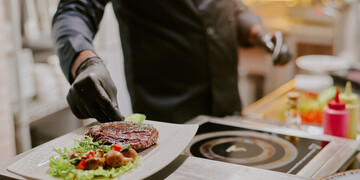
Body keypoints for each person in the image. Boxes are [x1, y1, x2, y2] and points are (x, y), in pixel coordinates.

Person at [52, 0, 291, 124]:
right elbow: (74, 11)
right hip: (169, 121)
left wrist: (259, 34)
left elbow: (233, 8)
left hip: (228, 109)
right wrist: (84, 62)